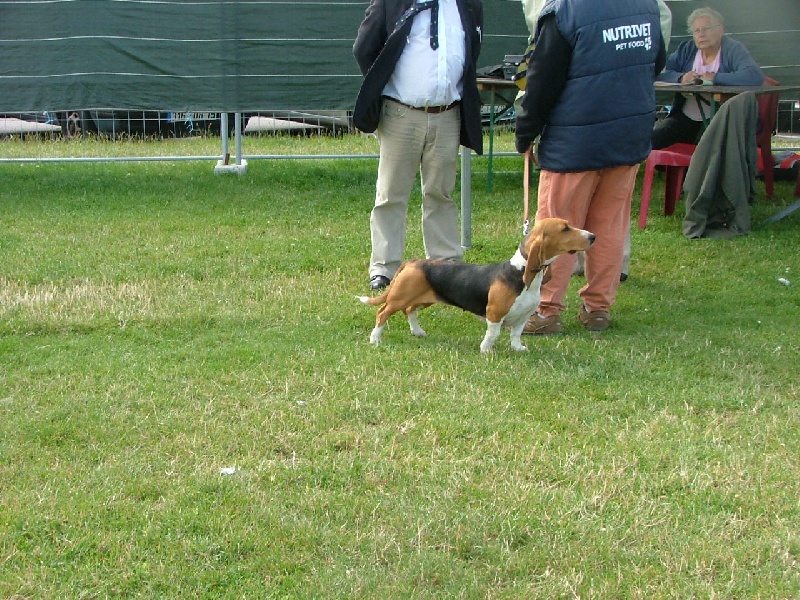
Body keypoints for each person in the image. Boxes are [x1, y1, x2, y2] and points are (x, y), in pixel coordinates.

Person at [515, 0, 666, 334]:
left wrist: (525, 132)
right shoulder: (647, 7)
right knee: (610, 226)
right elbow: (655, 64)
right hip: (627, 137)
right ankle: (598, 309)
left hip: (575, 141)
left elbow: (541, 81)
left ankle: (546, 309)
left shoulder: (565, 11)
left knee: (556, 228)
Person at [352, 0, 484, 291]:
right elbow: (364, 48)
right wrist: (382, 84)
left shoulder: (468, 4)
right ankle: (384, 268)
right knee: (391, 194)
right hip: (401, 112)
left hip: (448, 112)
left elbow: (472, 48)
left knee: (441, 191)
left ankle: (446, 264)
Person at [652, 7, 764, 149]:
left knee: (705, 150)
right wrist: (681, 78)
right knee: (653, 141)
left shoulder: (733, 49)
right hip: (685, 117)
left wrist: (715, 78)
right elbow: (658, 72)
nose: (701, 35)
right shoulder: (687, 49)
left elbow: (754, 76)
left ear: (721, 30)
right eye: (697, 31)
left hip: (722, 119)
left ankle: (692, 170)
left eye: (706, 29)